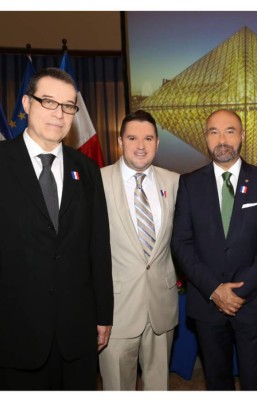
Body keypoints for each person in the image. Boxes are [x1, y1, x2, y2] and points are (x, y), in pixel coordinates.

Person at [0, 68, 113, 390]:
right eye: (49, 102)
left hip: (77, 336)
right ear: (26, 103)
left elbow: (98, 248)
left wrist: (103, 314)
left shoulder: (87, 169)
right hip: (11, 338)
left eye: (68, 106)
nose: (59, 114)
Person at [171, 109, 257, 390]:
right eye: (214, 132)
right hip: (207, 301)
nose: (222, 139)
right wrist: (215, 289)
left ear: (242, 136)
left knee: (254, 378)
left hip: (252, 301)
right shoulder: (187, 183)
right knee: (216, 379)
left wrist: (239, 291)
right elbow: (181, 243)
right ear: (206, 138)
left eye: (230, 131)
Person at [99, 110, 179, 390]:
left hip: (162, 307)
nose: (141, 145)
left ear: (158, 143)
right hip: (116, 311)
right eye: (132, 138)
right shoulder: (97, 181)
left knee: (159, 387)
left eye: (148, 138)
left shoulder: (174, 181)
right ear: (120, 141)